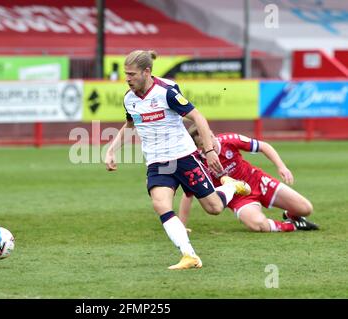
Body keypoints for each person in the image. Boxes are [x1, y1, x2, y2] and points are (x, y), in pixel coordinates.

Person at [104, 50, 251, 270]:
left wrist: (209, 151)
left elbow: (198, 117)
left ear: (147, 71)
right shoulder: (129, 99)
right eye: (126, 74)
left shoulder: (167, 92)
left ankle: (230, 186)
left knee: (214, 208)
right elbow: (130, 126)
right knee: (160, 204)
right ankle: (189, 255)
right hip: (157, 162)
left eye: (132, 74)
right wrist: (111, 150)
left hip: (184, 157)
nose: (128, 79)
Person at [178, 125, 319, 233]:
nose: (211, 144)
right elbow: (188, 195)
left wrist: (281, 167)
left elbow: (264, 146)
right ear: (198, 148)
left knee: (306, 209)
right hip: (239, 198)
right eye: (205, 144)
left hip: (258, 181)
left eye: (211, 137)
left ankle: (291, 215)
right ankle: (292, 226)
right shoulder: (197, 162)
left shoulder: (229, 141)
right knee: (258, 224)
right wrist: (181, 227)